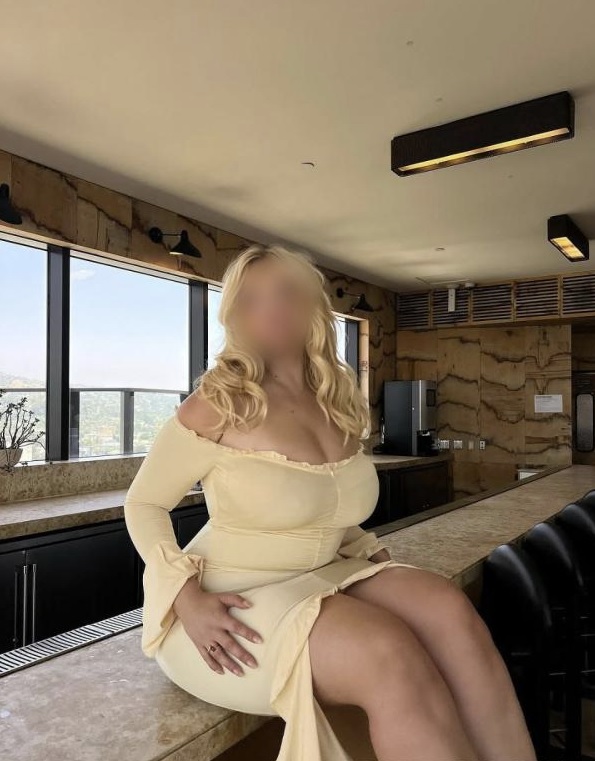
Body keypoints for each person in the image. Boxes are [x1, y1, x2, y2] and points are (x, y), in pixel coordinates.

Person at [123, 243, 537, 761]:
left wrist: (360, 544)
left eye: (285, 292)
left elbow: (319, 503)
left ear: (314, 303)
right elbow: (144, 504)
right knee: (386, 652)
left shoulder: (336, 401)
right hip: (228, 600)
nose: (270, 309)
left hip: (320, 572)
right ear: (235, 316)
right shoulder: (220, 401)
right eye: (250, 299)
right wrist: (185, 596)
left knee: (450, 610)